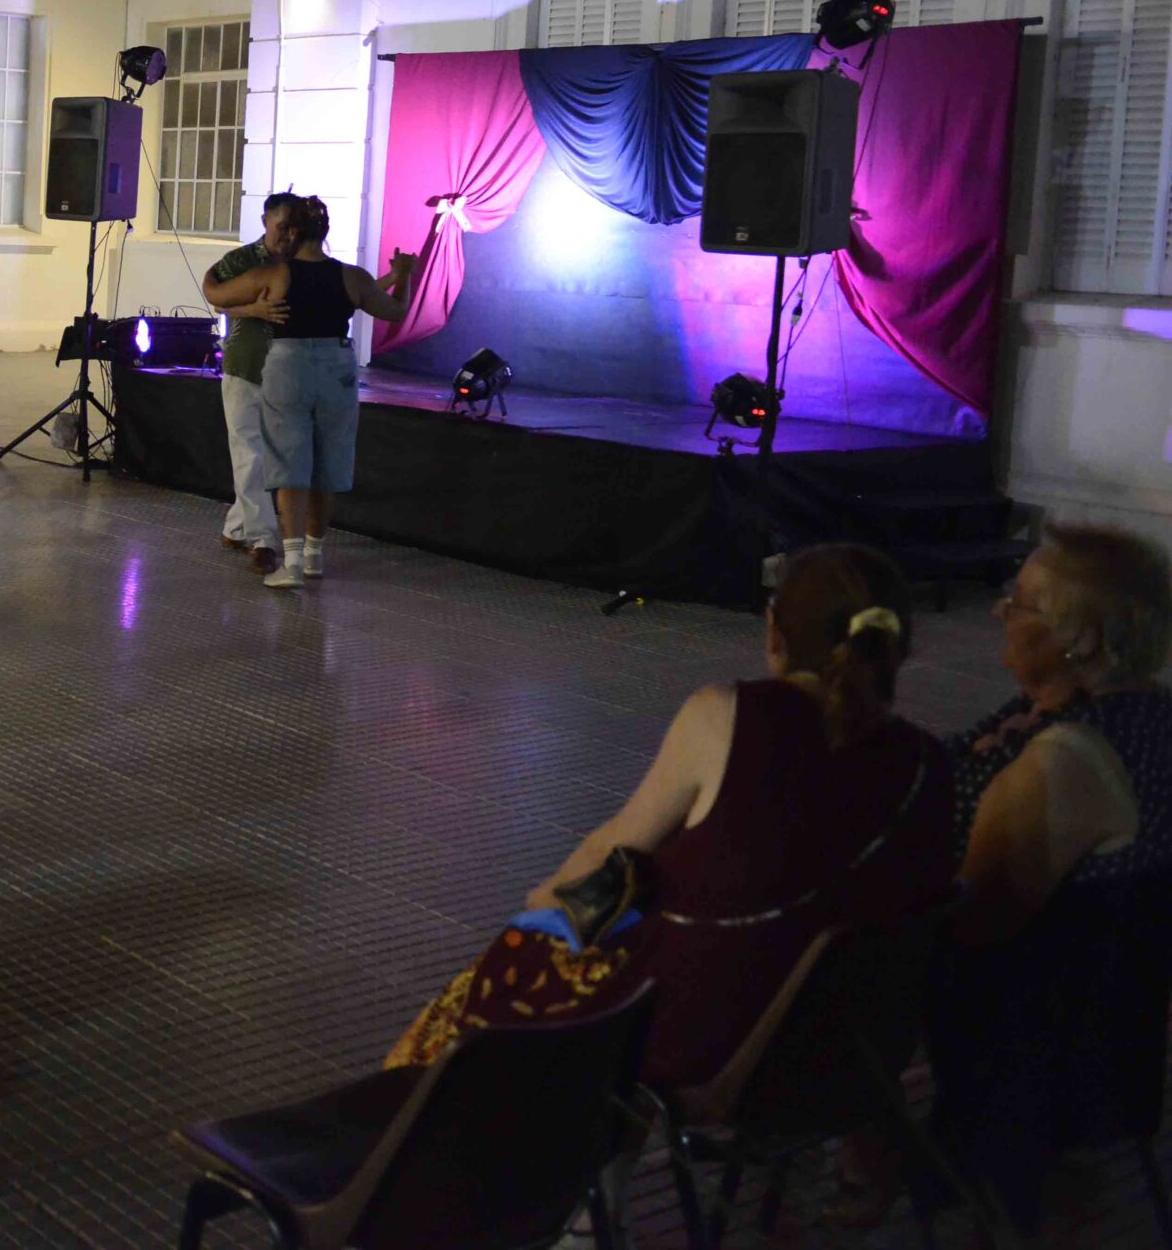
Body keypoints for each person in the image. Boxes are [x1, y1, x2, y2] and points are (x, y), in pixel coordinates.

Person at [386, 543, 956, 1093]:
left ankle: (406, 1128)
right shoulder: (929, 762)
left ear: (774, 633)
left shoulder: (729, 717)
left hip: (704, 1044)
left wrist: (542, 902)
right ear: (897, 649)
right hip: (852, 1053)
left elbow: (614, 850)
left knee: (516, 959)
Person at [905, 526, 1172, 1233]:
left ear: (1081, 639)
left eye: (1019, 602)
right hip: (1116, 1035)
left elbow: (970, 923)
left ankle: (871, 1148)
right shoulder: (1124, 708)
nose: (999, 611)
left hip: (1037, 1051)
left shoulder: (1068, 755)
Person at [209, 198, 413, 589]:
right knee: (327, 463)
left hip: (288, 366)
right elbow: (395, 310)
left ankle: (291, 564)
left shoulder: (277, 274)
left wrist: (239, 298)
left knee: (290, 464)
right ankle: (315, 555)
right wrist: (403, 275)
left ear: (294, 233)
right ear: (325, 232)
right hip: (337, 368)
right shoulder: (350, 276)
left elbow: (217, 294)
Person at [199, 194, 300, 577]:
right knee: (248, 452)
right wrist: (253, 310)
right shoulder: (241, 260)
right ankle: (262, 540)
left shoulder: (301, 263)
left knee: (267, 455)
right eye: (281, 227)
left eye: (294, 229)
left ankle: (237, 527)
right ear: (265, 222)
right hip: (245, 365)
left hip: (288, 371)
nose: (288, 236)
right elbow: (217, 300)